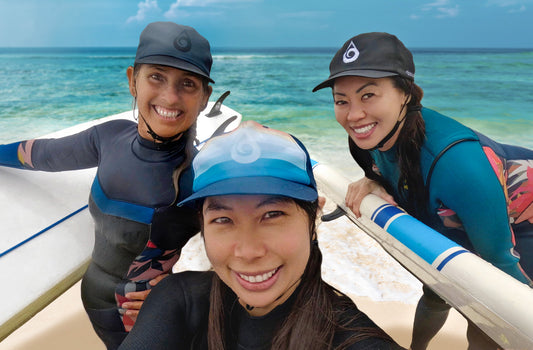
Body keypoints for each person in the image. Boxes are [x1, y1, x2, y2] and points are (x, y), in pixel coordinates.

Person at [312, 32, 533, 350]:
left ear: (405, 94)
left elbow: (502, 268)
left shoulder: (456, 161)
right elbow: (396, 177)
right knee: (435, 290)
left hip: (522, 223)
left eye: (368, 95)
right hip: (466, 210)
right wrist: (375, 182)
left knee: (487, 326)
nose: (353, 114)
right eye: (341, 100)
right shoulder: (367, 138)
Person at [0, 22, 214, 349]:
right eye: (156, 76)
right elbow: (39, 155)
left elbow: (255, 257)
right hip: (95, 303)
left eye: (187, 83)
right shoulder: (109, 137)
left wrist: (189, 294)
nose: (170, 96)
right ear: (132, 81)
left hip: (146, 316)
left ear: (204, 97)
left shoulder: (201, 177)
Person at [118, 121, 405, 350]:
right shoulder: (178, 298)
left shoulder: (349, 336)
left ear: (314, 216)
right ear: (202, 225)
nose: (248, 251)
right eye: (222, 219)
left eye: (272, 215)